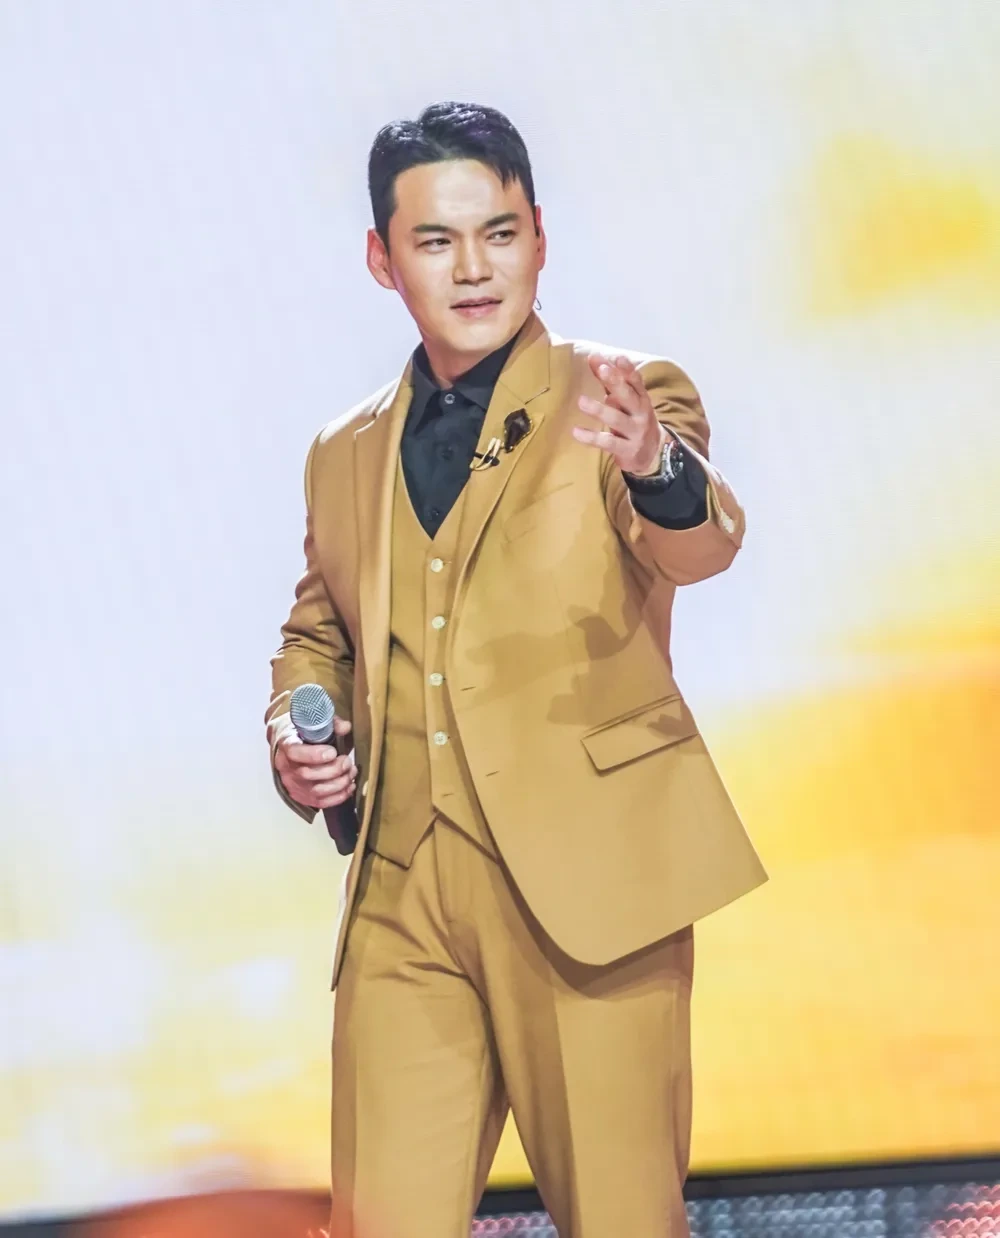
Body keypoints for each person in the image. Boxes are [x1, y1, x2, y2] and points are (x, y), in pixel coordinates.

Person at [266, 101, 766, 1238]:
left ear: (540, 235)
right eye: (436, 241)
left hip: (591, 887)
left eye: (498, 233)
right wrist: (295, 732)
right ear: (382, 259)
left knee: (621, 1219)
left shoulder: (625, 392)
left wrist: (657, 465)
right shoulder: (343, 449)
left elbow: (698, 543)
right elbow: (318, 633)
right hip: (401, 897)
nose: (473, 267)